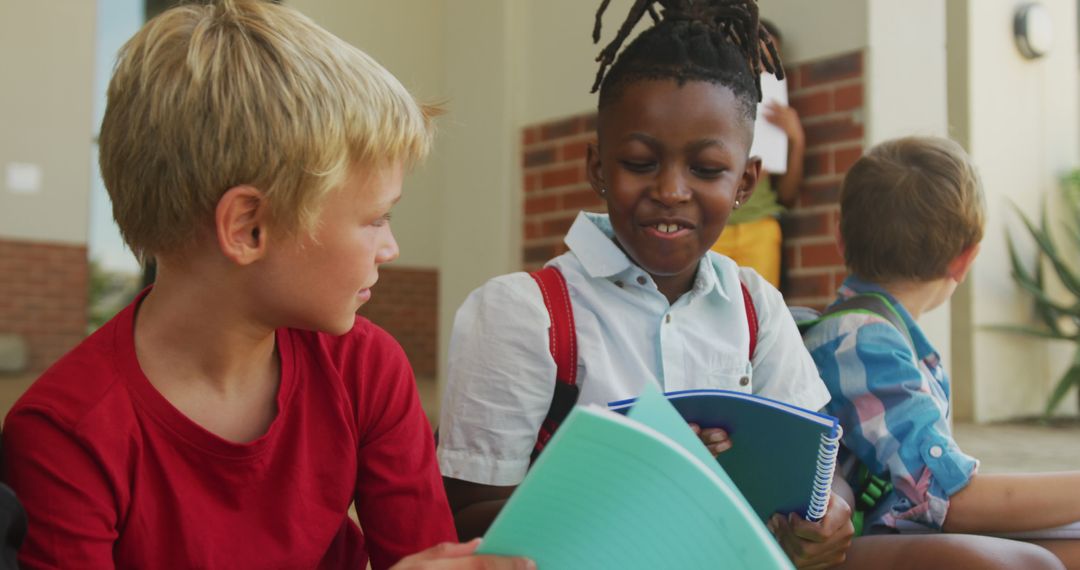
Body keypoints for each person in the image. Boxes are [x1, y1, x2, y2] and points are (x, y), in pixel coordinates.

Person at [0, 2, 532, 569]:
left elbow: (428, 556)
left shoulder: (367, 369)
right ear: (248, 227)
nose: (390, 248)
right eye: (376, 218)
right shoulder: (65, 432)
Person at [437, 2, 856, 567]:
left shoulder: (756, 307)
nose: (672, 190)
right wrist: (637, 483)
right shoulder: (525, 315)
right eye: (639, 161)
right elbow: (467, 515)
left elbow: (821, 474)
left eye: (706, 171)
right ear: (597, 167)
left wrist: (830, 515)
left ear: (745, 181)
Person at [802, 136, 1080, 568]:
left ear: (839, 236)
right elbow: (951, 500)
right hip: (851, 546)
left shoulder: (881, 337)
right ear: (965, 260)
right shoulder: (863, 341)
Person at [709, 19, 805, 288]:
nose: (762, 63)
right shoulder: (708, 102)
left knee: (759, 312)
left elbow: (787, 195)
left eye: (771, 57)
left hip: (760, 227)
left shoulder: (778, 112)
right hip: (714, 225)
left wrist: (796, 140)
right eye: (755, 53)